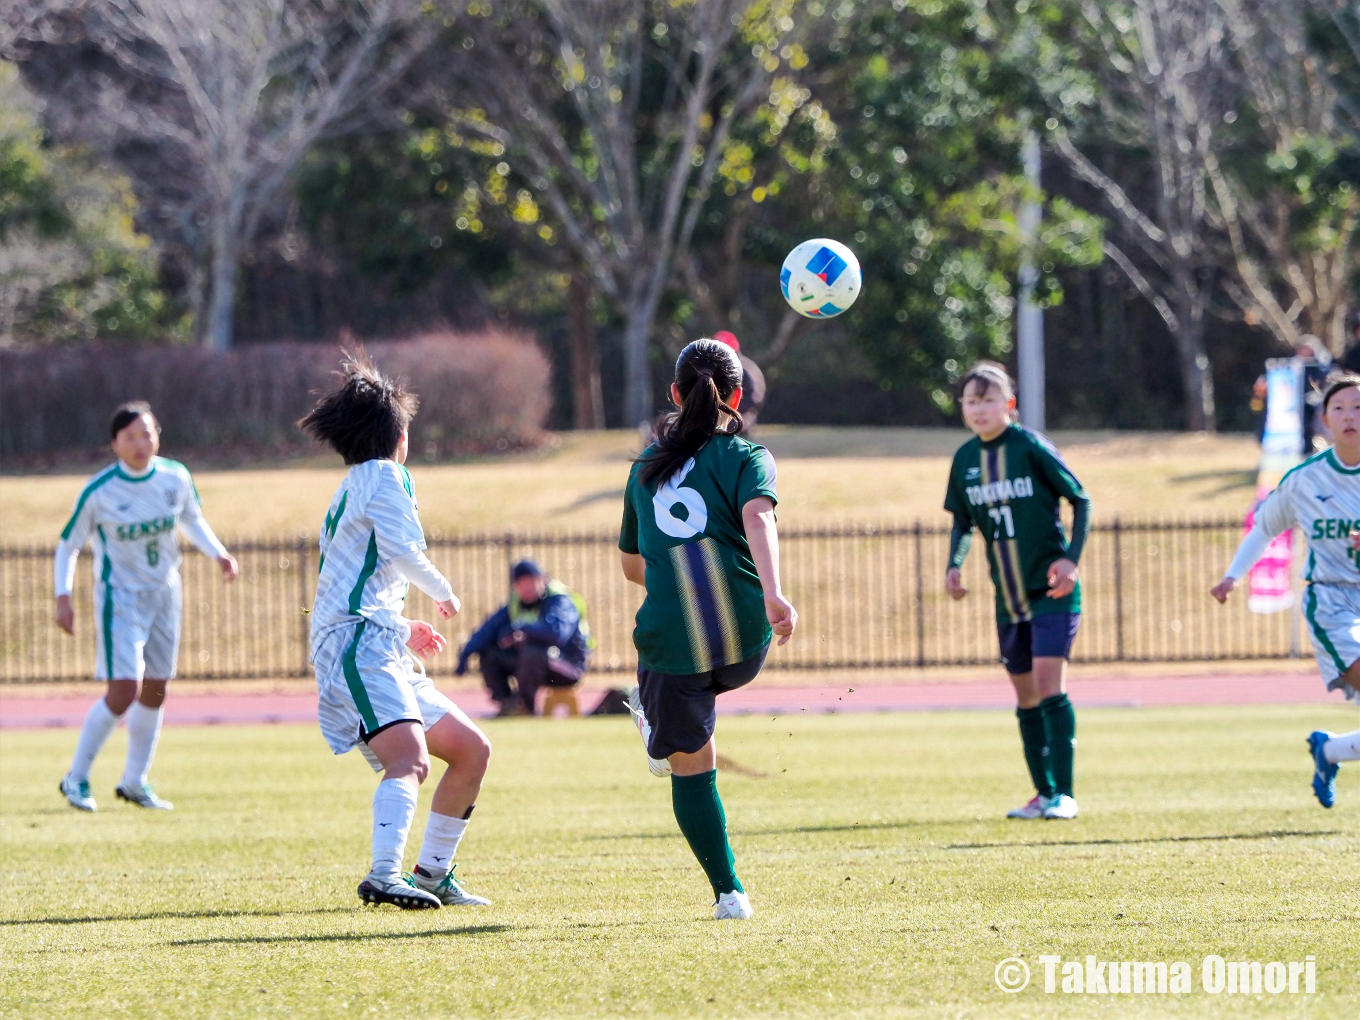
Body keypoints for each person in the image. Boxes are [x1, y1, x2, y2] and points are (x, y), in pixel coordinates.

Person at [299, 351, 492, 910]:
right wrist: (441, 590)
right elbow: (404, 552)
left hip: (373, 640)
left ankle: (431, 874)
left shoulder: (352, 486)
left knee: (471, 749)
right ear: (398, 434)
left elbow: (354, 580)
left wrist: (403, 626)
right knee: (409, 759)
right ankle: (384, 875)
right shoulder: (387, 476)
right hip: (358, 647)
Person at [619, 338, 797, 921]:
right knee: (695, 710)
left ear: (674, 394)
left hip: (674, 645)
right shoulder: (750, 456)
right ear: (739, 395)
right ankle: (668, 720)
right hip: (746, 642)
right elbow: (758, 518)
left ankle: (729, 893)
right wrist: (772, 595)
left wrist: (677, 578)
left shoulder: (646, 464)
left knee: (685, 758)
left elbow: (630, 567)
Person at [55, 402, 239, 813]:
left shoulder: (175, 477)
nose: (141, 443)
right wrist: (62, 597)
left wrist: (219, 554)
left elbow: (191, 519)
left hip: (165, 593)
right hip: (120, 597)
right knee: (124, 689)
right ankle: (76, 778)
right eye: (131, 437)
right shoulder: (100, 491)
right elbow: (68, 545)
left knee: (156, 688)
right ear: (115, 444)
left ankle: (134, 781)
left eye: (148, 434)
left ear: (158, 435)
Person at [943, 362, 1091, 821]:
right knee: (1026, 697)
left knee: (1049, 686)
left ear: (1009, 404)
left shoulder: (1029, 447)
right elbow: (963, 521)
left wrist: (1071, 558)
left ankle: (1064, 794)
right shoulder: (965, 459)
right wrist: (954, 563)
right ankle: (1042, 793)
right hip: (1007, 600)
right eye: (971, 401)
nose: (979, 408)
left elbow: (1080, 499)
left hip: (1051, 592)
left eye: (989, 400)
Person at [1211, 374, 1360, 809]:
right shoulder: (1304, 481)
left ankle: (1329, 751)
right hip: (1333, 602)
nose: (1351, 415)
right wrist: (1233, 576)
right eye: (1341, 408)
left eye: (1359, 407)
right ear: (1325, 421)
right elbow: (1264, 529)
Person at [455, 560, 590, 716]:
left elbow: (557, 634)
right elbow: (488, 630)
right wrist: (466, 654)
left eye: (532, 581)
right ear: (515, 587)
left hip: (568, 665)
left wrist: (521, 627)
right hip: (534, 664)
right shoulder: (515, 604)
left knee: (532, 650)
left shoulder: (560, 601)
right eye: (522, 583)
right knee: (490, 652)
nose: (528, 588)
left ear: (543, 580)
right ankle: (507, 704)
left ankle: (525, 707)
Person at [712, 331, 766, 432]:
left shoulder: (746, 369)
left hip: (739, 421)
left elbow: (754, 398)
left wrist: (729, 411)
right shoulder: (713, 369)